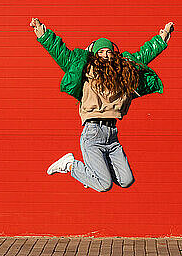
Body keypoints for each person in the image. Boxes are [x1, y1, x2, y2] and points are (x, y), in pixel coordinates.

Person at [29, 17, 174, 192]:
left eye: (109, 51)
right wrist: (43, 34)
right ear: (94, 53)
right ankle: (70, 165)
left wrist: (162, 38)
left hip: (112, 135)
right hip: (92, 132)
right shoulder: (84, 69)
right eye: (101, 51)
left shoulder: (123, 72)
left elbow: (143, 56)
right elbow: (61, 53)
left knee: (126, 180)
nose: (105, 55)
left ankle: (91, 175)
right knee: (104, 185)